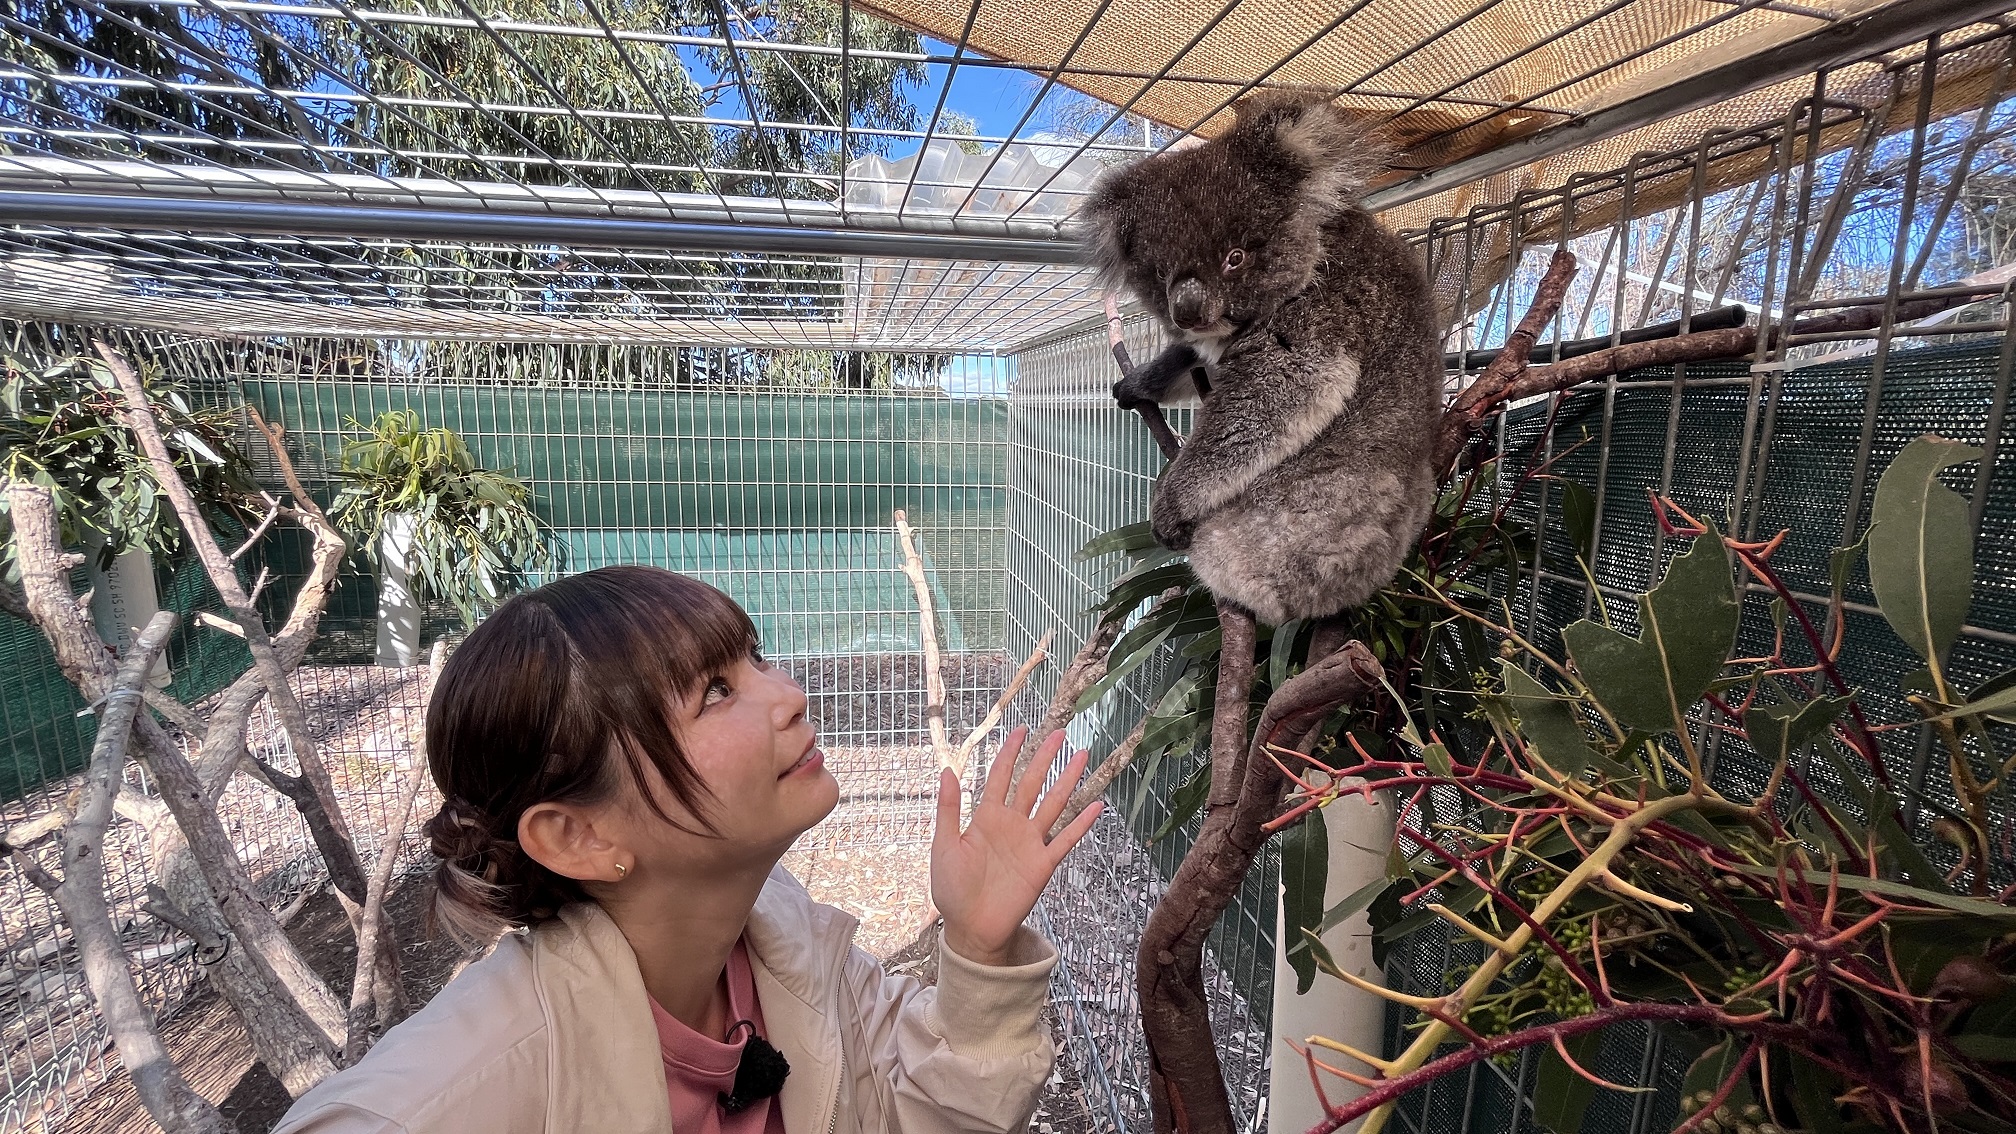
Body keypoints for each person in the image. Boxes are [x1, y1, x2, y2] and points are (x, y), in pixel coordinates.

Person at [274, 565, 1103, 1134]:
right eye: (715, 691)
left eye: (756, 660)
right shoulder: (453, 1093)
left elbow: (921, 1112)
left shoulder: (790, 947)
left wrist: (979, 949)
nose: (790, 696)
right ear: (580, 835)